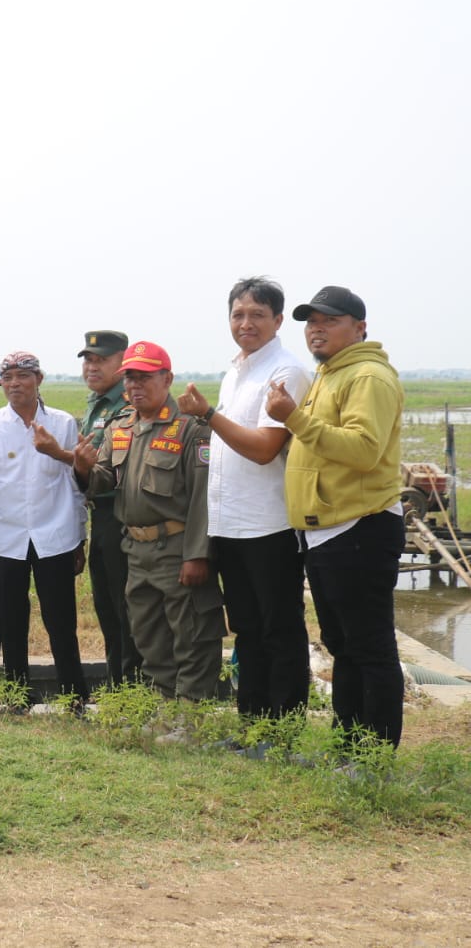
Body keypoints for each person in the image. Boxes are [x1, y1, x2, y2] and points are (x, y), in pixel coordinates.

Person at [268, 285, 405, 748]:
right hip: (330, 532)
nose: (317, 329)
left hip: (361, 527)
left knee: (370, 648)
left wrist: (294, 419)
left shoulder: (367, 376)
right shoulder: (329, 375)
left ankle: (374, 756)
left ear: (360, 327)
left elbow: (365, 451)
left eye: (329, 320)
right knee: (343, 647)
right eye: (311, 322)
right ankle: (348, 748)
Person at [177, 277, 313, 719]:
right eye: (238, 314)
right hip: (230, 524)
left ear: (277, 319)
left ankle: (282, 729)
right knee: (247, 631)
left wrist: (208, 415)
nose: (246, 323)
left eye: (257, 314)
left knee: (280, 630)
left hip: (268, 524)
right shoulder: (234, 371)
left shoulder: (286, 370)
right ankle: (253, 722)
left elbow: (263, 449)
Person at [75, 342, 225, 702]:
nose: (135, 386)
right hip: (136, 551)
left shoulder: (191, 428)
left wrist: (197, 555)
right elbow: (104, 480)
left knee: (190, 635)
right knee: (149, 636)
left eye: (144, 378)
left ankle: (191, 716)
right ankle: (165, 708)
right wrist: (82, 467)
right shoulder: (122, 426)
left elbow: (205, 498)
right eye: (129, 378)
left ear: (167, 378)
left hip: (176, 550)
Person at [0, 351, 89, 704]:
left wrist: (79, 537)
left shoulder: (62, 423)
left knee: (62, 623)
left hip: (56, 536)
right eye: (8, 377)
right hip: (7, 539)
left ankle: (74, 697)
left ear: (39, 380)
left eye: (23, 376)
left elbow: (73, 484)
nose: (15, 383)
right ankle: (18, 698)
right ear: (0, 383)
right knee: (11, 623)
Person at [77, 330, 141, 686]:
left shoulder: (129, 405)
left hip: (124, 516)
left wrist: (67, 458)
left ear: (123, 361)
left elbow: (115, 472)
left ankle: (133, 691)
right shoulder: (96, 404)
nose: (92, 366)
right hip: (100, 518)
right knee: (107, 609)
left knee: (127, 610)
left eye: (101, 359)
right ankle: (118, 688)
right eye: (88, 359)